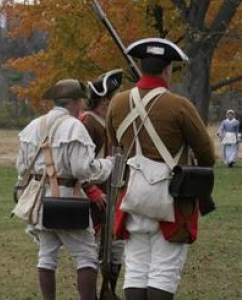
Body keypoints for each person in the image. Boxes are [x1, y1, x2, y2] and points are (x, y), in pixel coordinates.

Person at [106, 38, 215, 300]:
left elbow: (115, 143)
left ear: (143, 68)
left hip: (133, 197)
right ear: (167, 69)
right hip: (172, 200)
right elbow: (207, 154)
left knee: (136, 271)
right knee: (163, 273)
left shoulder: (117, 103)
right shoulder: (179, 105)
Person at [16, 79, 113, 300]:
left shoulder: (33, 126)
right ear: (76, 102)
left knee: (46, 256)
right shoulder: (74, 127)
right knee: (86, 256)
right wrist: (108, 165)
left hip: (41, 203)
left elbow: (21, 168)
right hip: (68, 200)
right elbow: (84, 171)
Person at [82, 68, 125, 297]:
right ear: (106, 99)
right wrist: (92, 191)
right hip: (96, 198)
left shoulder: (110, 122)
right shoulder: (88, 123)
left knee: (115, 246)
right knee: (94, 249)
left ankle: (108, 290)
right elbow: (79, 164)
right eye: (117, 95)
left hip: (112, 193)